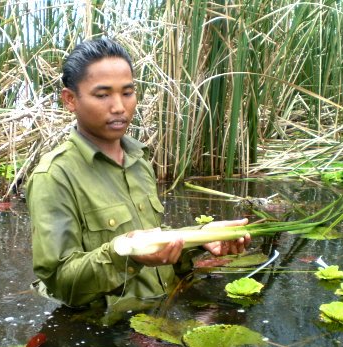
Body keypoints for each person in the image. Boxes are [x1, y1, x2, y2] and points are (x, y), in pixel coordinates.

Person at [25, 37, 250, 309]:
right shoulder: (54, 176)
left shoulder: (139, 160)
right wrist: (127, 256)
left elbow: (151, 238)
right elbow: (60, 282)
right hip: (109, 327)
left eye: (127, 92)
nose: (119, 106)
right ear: (70, 99)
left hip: (163, 306)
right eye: (102, 94)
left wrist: (202, 238)